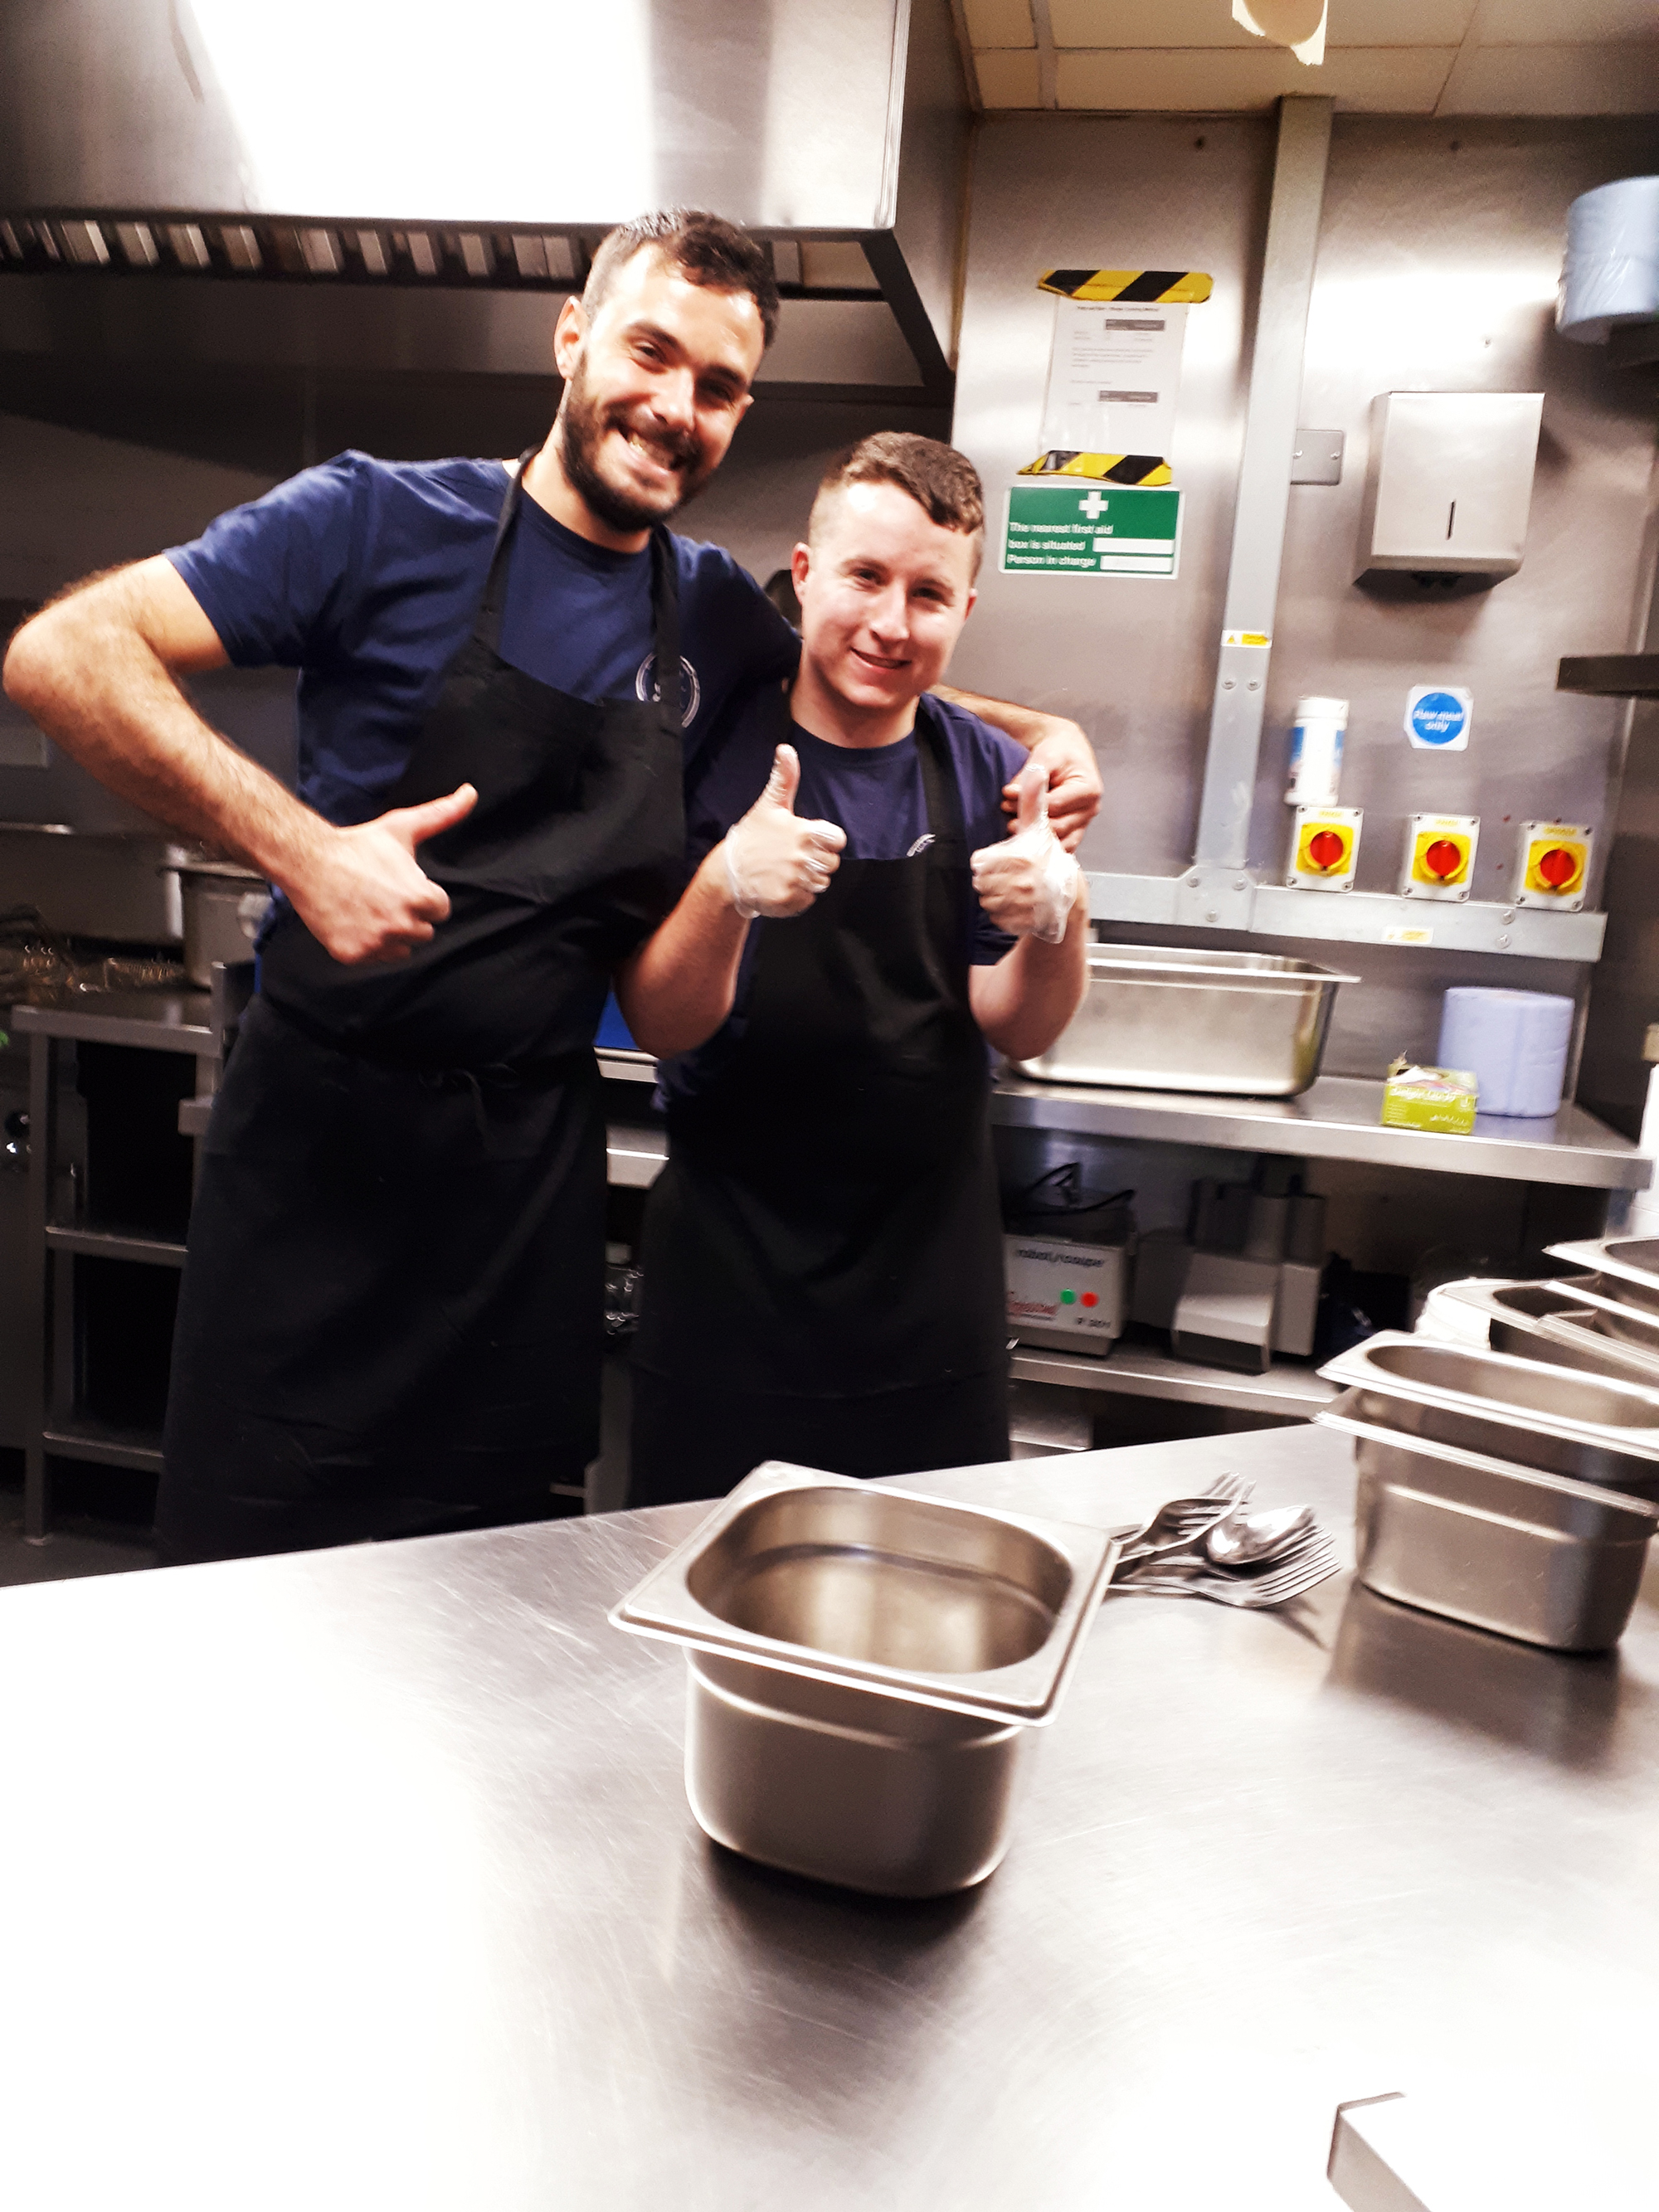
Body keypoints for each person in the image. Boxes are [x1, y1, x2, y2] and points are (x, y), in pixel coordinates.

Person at [3, 213, 1100, 1563]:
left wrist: (1044, 734)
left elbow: (866, 659)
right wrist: (300, 849)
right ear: (573, 339)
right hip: (322, 1158)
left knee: (499, 1598)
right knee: (263, 1580)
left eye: (720, 387)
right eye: (652, 351)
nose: (676, 407)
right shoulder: (375, 519)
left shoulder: (704, 607)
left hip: (526, 1176)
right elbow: (67, 652)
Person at [616, 434, 1091, 1506]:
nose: (890, 622)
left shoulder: (991, 775)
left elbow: (1018, 1026)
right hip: (729, 1301)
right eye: (865, 577)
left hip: (929, 1306)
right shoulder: (707, 755)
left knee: (922, 1640)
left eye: (929, 593)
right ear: (803, 573)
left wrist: (1064, 911)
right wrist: (724, 886)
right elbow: (662, 1022)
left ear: (966, 613)